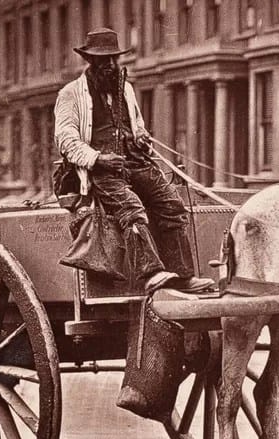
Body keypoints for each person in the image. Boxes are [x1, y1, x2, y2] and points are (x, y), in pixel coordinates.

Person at [54, 28, 215, 294]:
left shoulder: (125, 89)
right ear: (90, 63)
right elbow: (66, 141)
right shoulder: (71, 94)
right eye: (101, 61)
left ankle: (183, 277)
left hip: (135, 163)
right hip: (99, 172)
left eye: (112, 60)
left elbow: (137, 125)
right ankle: (151, 273)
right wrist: (99, 159)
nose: (109, 65)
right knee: (132, 209)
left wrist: (141, 137)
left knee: (172, 205)